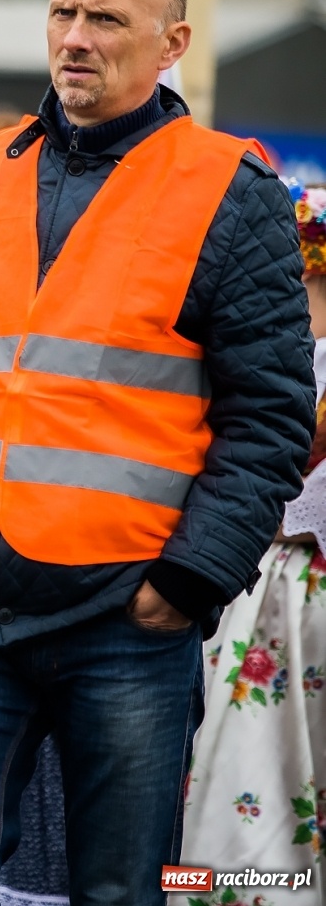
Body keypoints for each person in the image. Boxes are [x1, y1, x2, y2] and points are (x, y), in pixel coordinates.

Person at [0, 0, 316, 902]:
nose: (77, 37)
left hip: (128, 617)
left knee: (114, 890)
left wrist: (191, 578)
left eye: (107, 18)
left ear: (172, 40)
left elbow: (270, 417)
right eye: (64, 11)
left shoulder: (232, 191)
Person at [176, 183, 326, 892]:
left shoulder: (257, 352)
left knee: (252, 769)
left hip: (271, 585)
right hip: (256, 584)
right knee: (250, 767)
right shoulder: (258, 351)